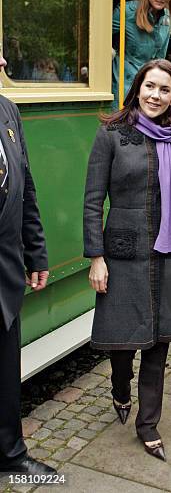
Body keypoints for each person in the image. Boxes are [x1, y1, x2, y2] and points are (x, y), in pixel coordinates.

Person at [83, 59, 171, 462]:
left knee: (160, 342)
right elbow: (91, 200)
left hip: (169, 253)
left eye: (165, 90)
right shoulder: (113, 134)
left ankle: (148, 425)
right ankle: (120, 389)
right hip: (123, 253)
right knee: (123, 343)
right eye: (150, 87)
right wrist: (96, 258)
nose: (156, 96)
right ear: (138, 87)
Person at [0, 53, 56, 477]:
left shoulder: (7, 109)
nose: (3, 61)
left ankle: (10, 453)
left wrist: (35, 252)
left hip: (6, 270)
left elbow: (25, 184)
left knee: (5, 370)